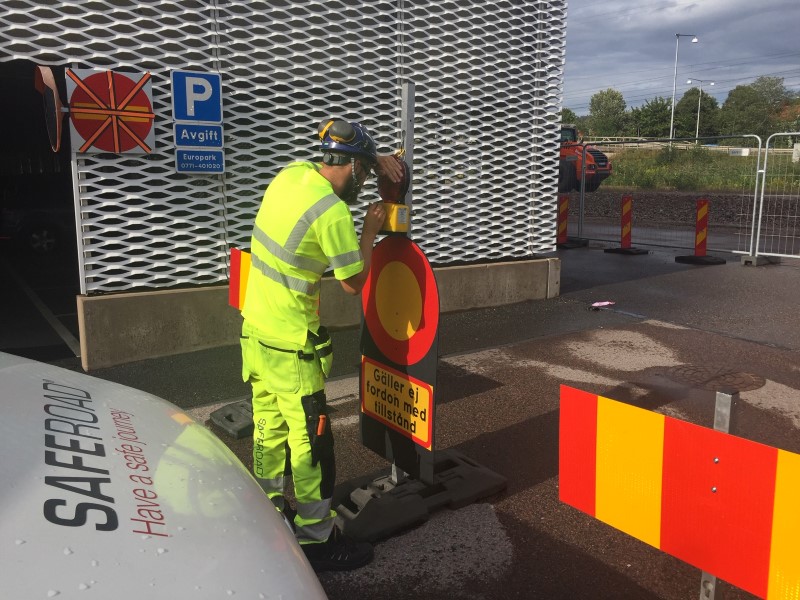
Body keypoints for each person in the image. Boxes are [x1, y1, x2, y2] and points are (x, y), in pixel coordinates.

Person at [239, 118, 402, 572]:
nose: (364, 181)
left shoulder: (289, 175)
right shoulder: (330, 212)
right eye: (364, 173)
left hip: (256, 333)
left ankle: (268, 512)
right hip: (294, 346)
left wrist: (381, 156)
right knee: (311, 445)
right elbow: (352, 283)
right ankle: (316, 539)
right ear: (348, 166)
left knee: (268, 431)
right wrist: (369, 229)